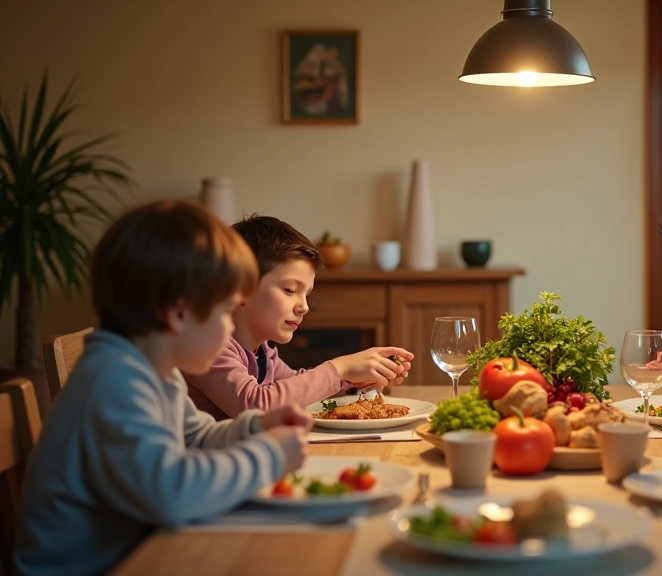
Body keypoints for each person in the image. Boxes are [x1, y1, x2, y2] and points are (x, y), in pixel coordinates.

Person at [15, 201, 312, 576]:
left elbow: (194, 436)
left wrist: (256, 427)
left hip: (138, 554)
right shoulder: (115, 380)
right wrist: (268, 456)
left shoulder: (156, 368)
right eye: (224, 312)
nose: (229, 328)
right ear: (178, 313)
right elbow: (170, 494)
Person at [184, 214, 413, 419]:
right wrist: (339, 368)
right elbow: (255, 404)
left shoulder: (263, 352)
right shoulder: (209, 346)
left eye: (307, 294)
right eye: (290, 290)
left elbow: (301, 394)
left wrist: (355, 382)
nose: (303, 307)